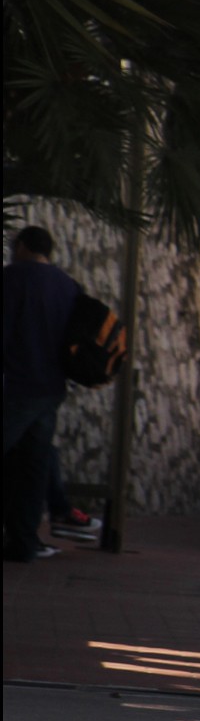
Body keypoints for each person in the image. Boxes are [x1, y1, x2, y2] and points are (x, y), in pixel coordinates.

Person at [3, 226, 80, 562]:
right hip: (51, 389)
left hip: (17, 386)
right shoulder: (68, 285)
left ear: (21, 246)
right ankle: (23, 542)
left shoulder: (12, 279)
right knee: (33, 469)